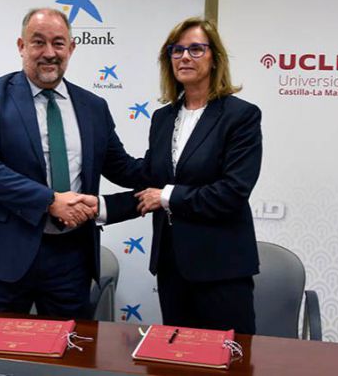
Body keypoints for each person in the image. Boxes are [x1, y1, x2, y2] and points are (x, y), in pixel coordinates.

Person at [0, 8, 141, 319]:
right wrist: (50, 201)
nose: (49, 53)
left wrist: (176, 170)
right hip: (5, 251)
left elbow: (122, 168)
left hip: (71, 256)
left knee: (69, 344)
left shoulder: (94, 106)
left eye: (58, 43)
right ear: (21, 46)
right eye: (38, 42)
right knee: (3, 343)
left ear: (72, 48)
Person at [104, 17, 262, 333]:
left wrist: (166, 196)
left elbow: (232, 191)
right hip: (172, 267)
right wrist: (98, 143)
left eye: (195, 49)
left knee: (228, 357)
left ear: (214, 58)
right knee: (176, 354)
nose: (185, 57)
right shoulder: (163, 118)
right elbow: (147, 176)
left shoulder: (240, 116)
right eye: (177, 50)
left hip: (222, 269)